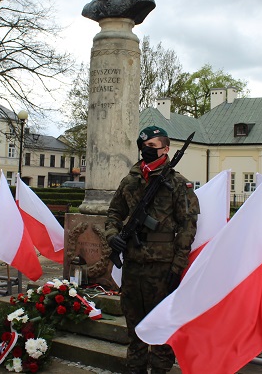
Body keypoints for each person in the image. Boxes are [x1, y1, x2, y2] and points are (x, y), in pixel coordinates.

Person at [105, 126, 199, 374]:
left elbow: (188, 227)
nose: (146, 151)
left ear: (166, 149)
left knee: (162, 328)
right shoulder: (130, 181)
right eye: (143, 146)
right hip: (133, 265)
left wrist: (178, 266)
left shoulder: (178, 184)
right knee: (134, 327)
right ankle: (135, 369)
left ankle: (159, 370)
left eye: (152, 147)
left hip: (163, 268)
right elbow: (114, 214)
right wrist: (113, 236)